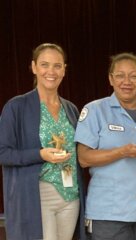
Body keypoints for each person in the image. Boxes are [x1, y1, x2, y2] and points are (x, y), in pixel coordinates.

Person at [74, 52, 136, 240]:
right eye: (120, 75)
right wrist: (122, 152)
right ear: (111, 79)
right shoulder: (95, 110)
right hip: (109, 214)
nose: (126, 81)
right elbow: (84, 158)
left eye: (133, 76)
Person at [0, 43, 86, 240]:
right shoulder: (16, 107)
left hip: (70, 195)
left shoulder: (71, 109)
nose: (51, 71)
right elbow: (3, 152)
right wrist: (40, 154)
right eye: (44, 64)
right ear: (34, 67)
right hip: (37, 195)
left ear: (64, 69)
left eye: (57, 65)